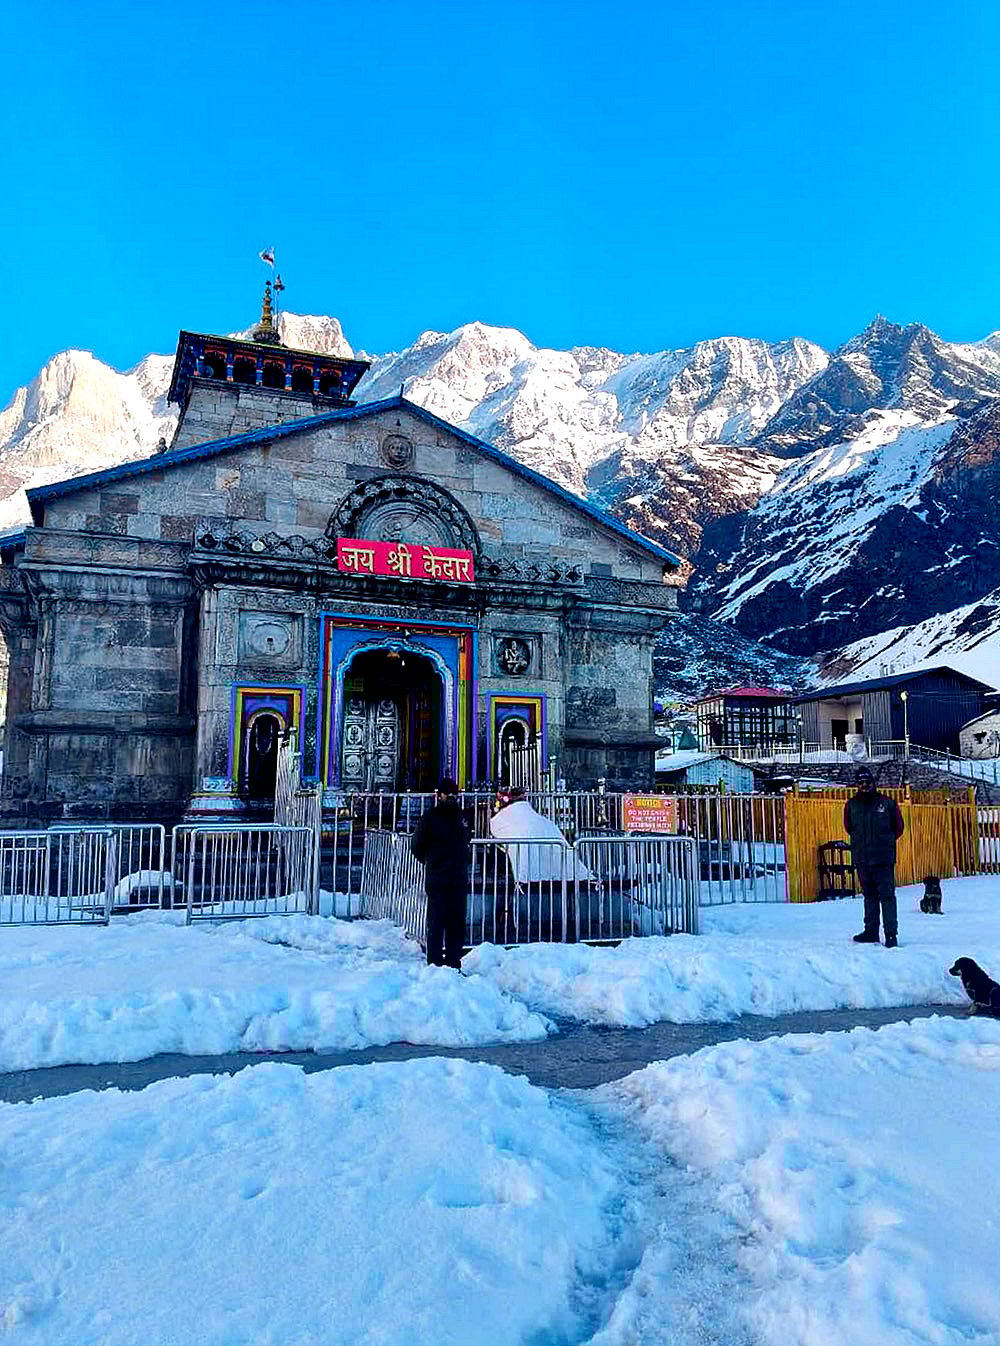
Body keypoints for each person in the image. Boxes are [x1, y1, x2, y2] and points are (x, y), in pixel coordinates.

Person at [410, 777, 471, 968]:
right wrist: (431, 862)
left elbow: (466, 842)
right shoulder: (429, 818)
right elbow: (417, 845)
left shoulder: (463, 817)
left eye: (454, 793)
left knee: (456, 923)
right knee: (436, 923)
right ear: (439, 795)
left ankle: (454, 961)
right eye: (447, 793)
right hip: (438, 878)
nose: (451, 796)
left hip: (458, 877)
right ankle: (435, 963)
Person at [844, 767, 905, 947]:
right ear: (857, 784)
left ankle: (891, 935)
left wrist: (883, 843)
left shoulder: (887, 803)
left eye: (868, 782)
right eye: (861, 782)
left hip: (883, 859)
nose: (865, 785)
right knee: (869, 896)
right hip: (862, 858)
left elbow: (898, 828)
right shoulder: (851, 805)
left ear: (873, 783)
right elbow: (849, 827)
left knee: (887, 896)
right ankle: (871, 931)